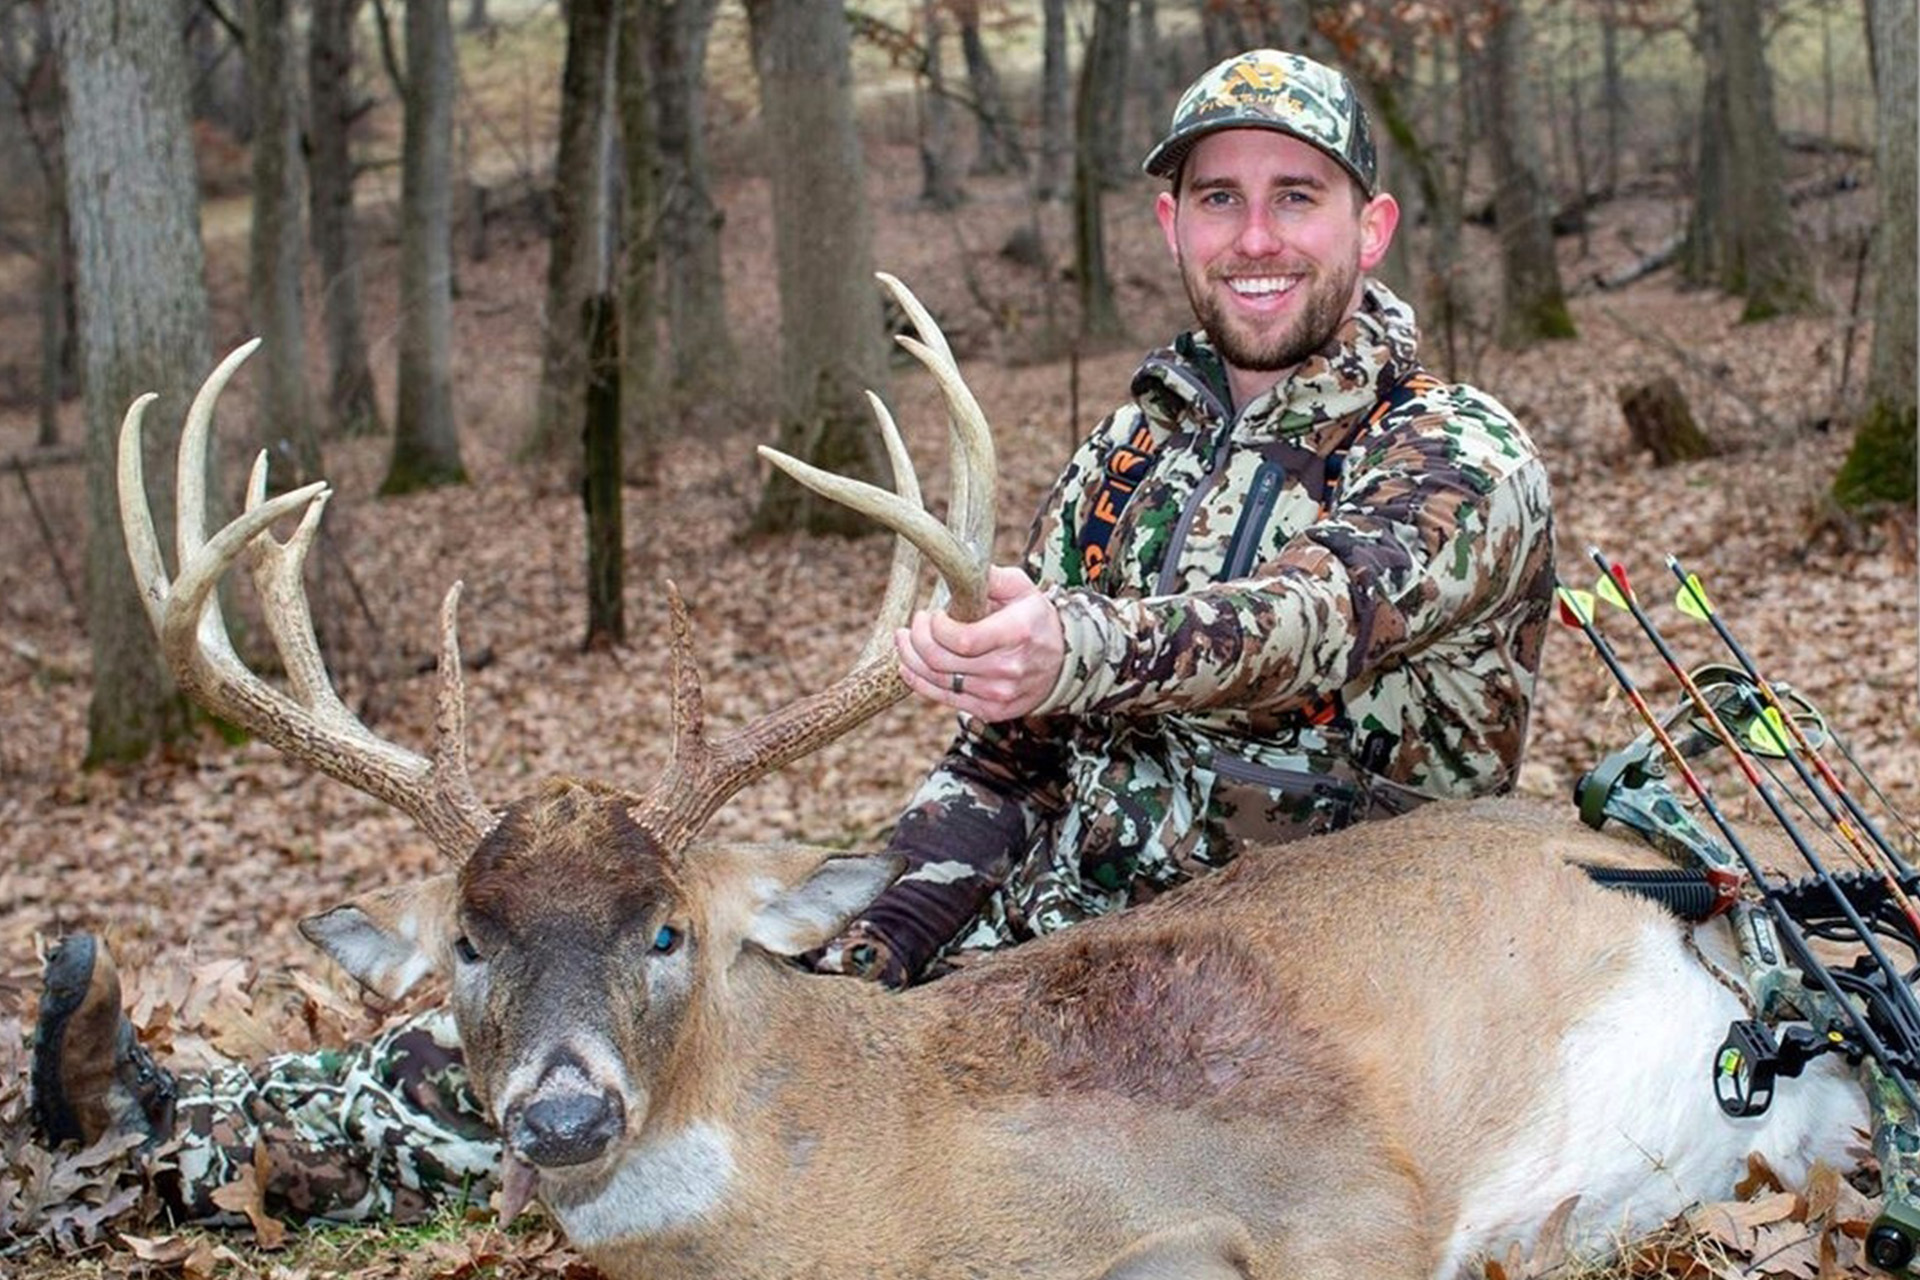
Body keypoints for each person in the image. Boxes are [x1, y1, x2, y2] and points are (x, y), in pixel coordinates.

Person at [32, 48, 1555, 1227]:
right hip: (1076, 946)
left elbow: (1312, 619)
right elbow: (1009, 759)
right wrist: (882, 942)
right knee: (632, 1016)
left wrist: (1073, 645)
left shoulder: (1460, 452)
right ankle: (173, 1131)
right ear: (1171, 223)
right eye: (1219, 200)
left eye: (1298, 197)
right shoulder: (1131, 457)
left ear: (1374, 219)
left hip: (1318, 977)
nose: (1257, 238)